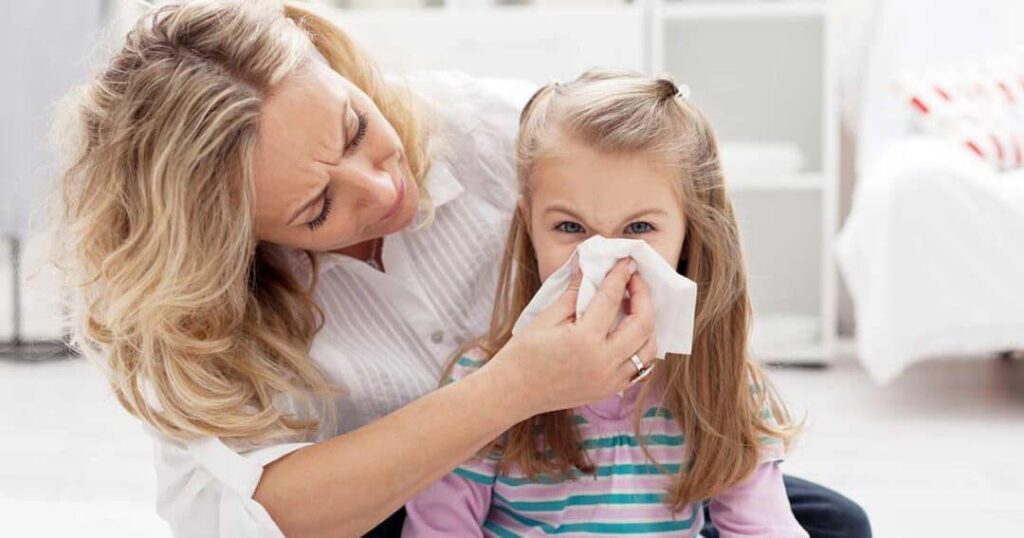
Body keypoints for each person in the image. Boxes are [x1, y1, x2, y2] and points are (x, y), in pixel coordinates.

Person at [54, 2, 870, 536]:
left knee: (833, 523)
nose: (381, 187)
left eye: (351, 128)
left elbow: (665, 185)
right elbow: (262, 516)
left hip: (595, 473)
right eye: (314, 212)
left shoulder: (496, 131)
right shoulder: (195, 313)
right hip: (382, 515)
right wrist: (510, 389)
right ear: (232, 242)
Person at [402, 71, 808, 537]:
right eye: (570, 228)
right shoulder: (483, 382)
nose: (606, 258)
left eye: (638, 229)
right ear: (529, 226)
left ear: (690, 233)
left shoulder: (720, 385)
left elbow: (764, 527)